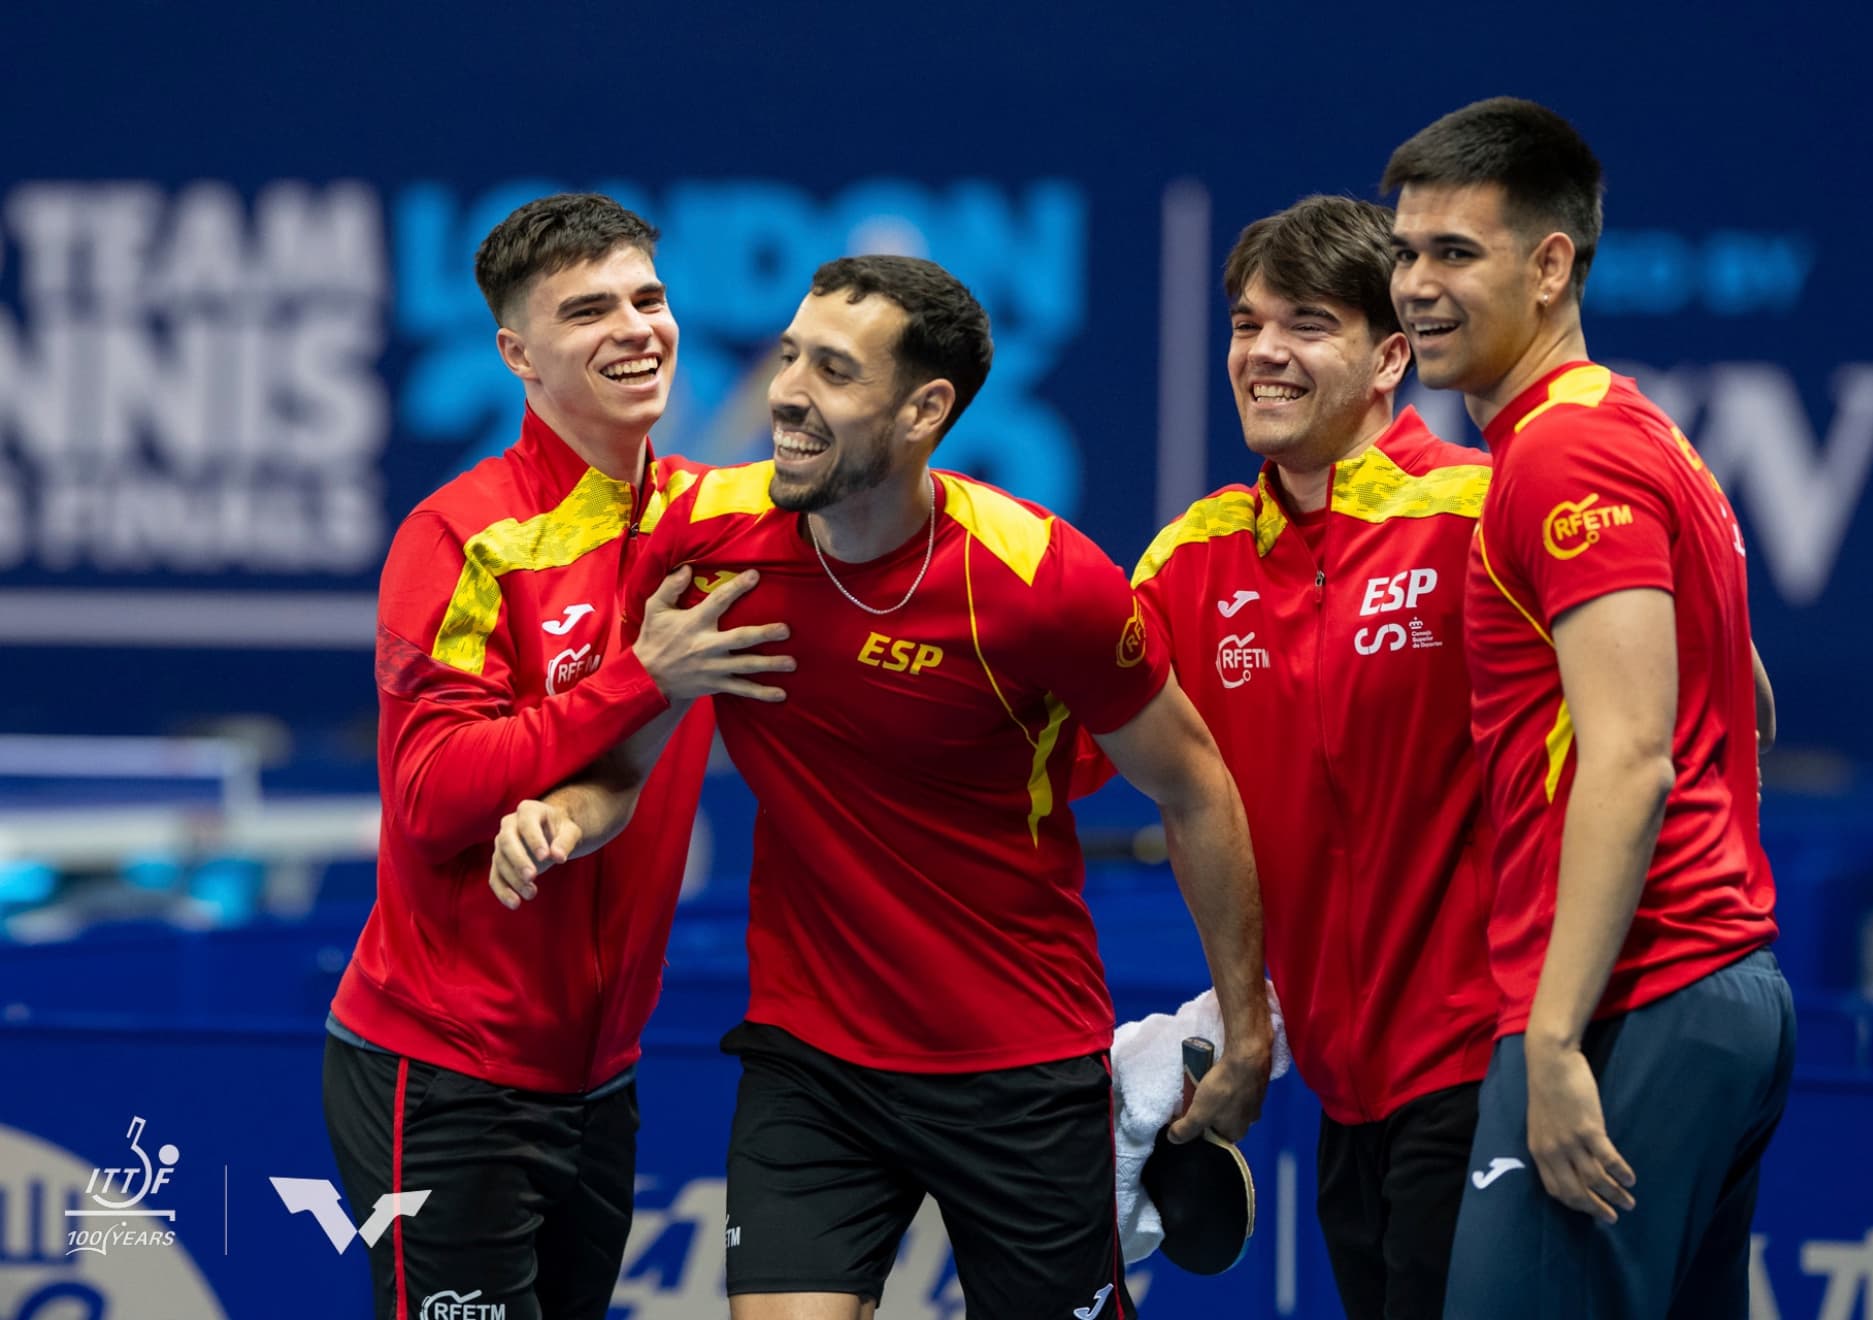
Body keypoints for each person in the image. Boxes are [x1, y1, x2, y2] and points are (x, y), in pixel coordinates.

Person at [490, 254, 1274, 1320]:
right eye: (790, 356)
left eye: (835, 373)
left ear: (924, 410)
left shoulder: (1040, 583)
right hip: (814, 1059)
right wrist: (556, 816)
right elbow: (623, 765)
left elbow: (1195, 791)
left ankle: (1131, 1082)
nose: (788, 395)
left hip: (1018, 1058)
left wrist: (1246, 1026)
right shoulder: (709, 543)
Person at [324, 193, 789, 1320]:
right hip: (443, 1070)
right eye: (589, 311)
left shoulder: (705, 515)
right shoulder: (459, 538)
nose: (637, 328)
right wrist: (639, 678)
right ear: (517, 355)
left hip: (600, 1078)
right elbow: (433, 799)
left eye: (650, 299)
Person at [1383, 99, 1794, 1317]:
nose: (1415, 285)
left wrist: (1554, 1040)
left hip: (1632, 996)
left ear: (1551, 264)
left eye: (1456, 253)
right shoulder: (1643, 434)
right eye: (1405, 251)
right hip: (1716, 990)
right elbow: (1744, 691)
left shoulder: (1564, 460)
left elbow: (1630, 757)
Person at [1090, 194, 1498, 1318]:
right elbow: (1058, 751)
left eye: (1307, 323)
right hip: (1340, 1083)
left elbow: (1666, 674)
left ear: (1390, 357)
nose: (1263, 352)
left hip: (1490, 1062)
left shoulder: (1482, 516)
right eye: (1244, 323)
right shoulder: (1192, 558)